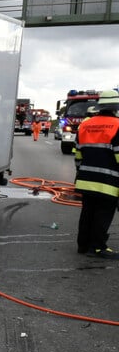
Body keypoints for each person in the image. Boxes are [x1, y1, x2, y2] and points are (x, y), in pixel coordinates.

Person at [75, 90, 119, 259]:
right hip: (108, 181)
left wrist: (79, 172)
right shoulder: (117, 125)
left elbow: (78, 155)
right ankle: (98, 247)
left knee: (87, 212)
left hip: (86, 179)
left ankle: (83, 245)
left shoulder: (85, 125)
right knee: (103, 213)